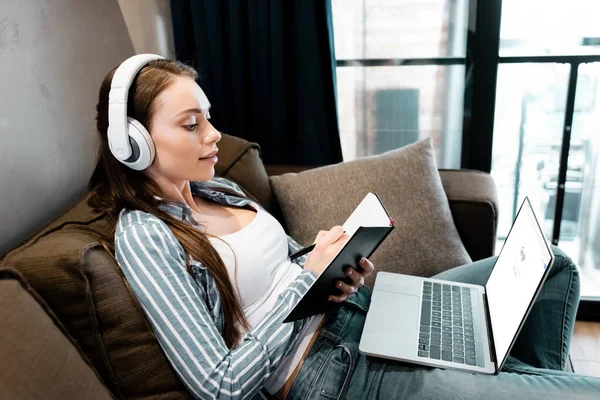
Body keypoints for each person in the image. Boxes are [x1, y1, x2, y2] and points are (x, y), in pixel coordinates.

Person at [88, 55, 600, 400]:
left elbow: (288, 267)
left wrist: (333, 264)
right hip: (329, 368)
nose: (215, 134)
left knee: (553, 267)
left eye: (209, 117)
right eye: (190, 123)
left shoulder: (216, 188)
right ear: (134, 141)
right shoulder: (145, 237)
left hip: (362, 310)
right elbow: (218, 386)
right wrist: (304, 281)